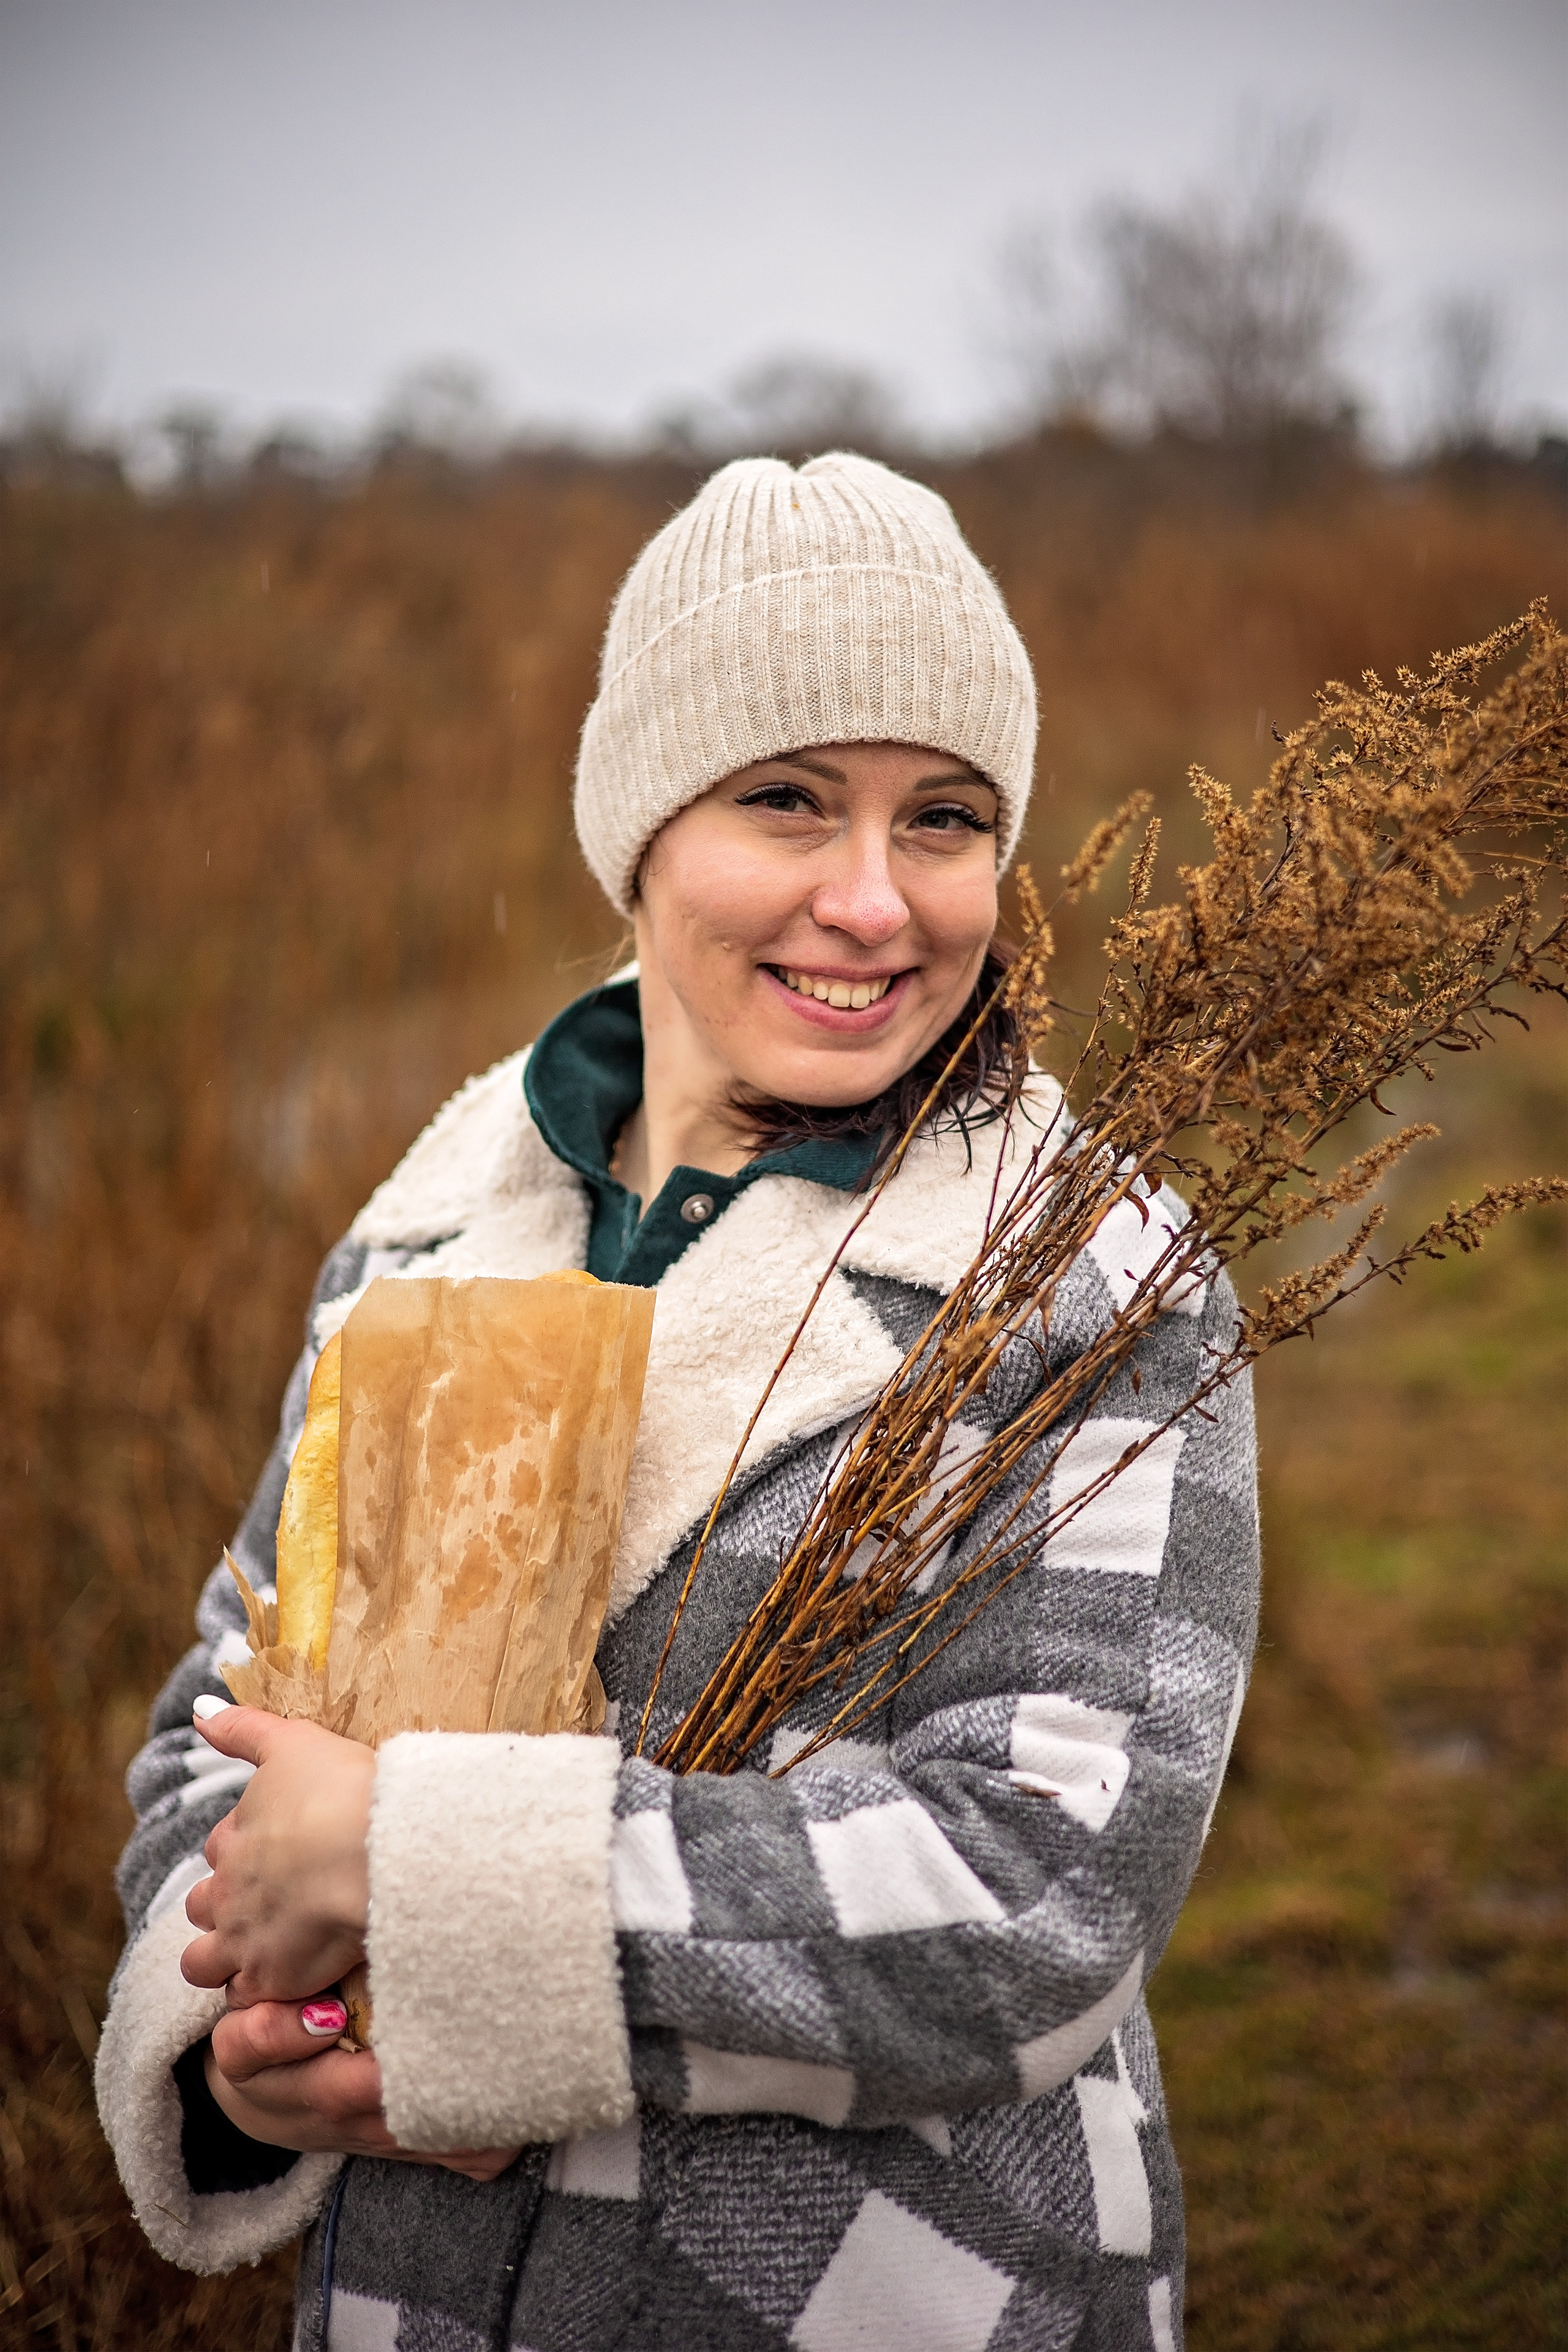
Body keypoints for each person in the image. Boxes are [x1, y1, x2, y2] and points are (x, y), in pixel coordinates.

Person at [96, 453, 1259, 2352]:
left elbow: (1039, 1896)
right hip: (420, 2297)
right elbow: (216, 1743)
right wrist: (247, 2044)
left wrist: (423, 1872)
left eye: (945, 819)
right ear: (639, 833)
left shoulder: (1090, 1279)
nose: (871, 901)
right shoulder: (433, 1226)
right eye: (786, 799)